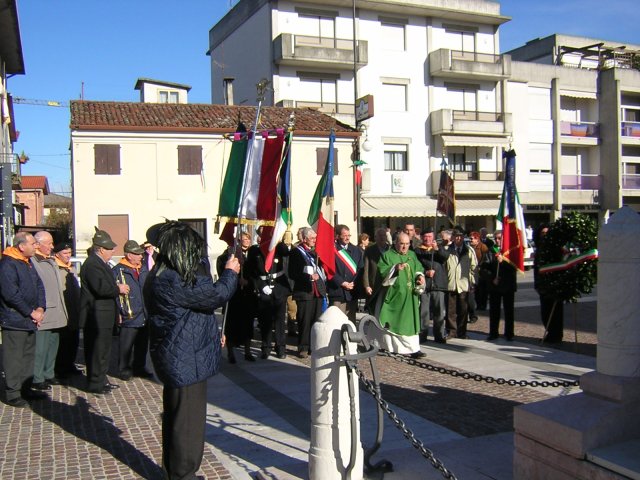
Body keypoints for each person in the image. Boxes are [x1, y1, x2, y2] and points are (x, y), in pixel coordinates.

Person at [144, 221, 239, 480]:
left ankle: (174, 469)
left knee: (178, 417)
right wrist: (230, 272)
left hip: (182, 354)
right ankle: (183, 473)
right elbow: (215, 295)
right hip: (184, 359)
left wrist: (212, 333)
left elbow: (192, 312)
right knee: (188, 421)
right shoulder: (173, 278)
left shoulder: (165, 274)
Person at [79, 228, 130, 395]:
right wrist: (118, 288)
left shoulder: (100, 263)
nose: (113, 251)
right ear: (100, 249)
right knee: (97, 350)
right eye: (110, 249)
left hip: (104, 315)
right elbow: (101, 288)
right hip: (97, 315)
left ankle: (100, 379)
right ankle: (95, 382)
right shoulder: (93, 264)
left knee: (104, 350)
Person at [0, 232, 47, 407]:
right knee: (14, 358)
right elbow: (11, 294)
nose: (36, 246)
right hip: (14, 319)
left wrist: (41, 308)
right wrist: (30, 312)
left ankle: (26, 387)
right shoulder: (7, 265)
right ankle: (13, 393)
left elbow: (39, 286)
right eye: (33, 243)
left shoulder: (27, 263)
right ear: (21, 246)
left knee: (28, 355)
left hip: (30, 319)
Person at [371, 232, 426, 358]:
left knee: (410, 323)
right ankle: (389, 347)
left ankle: (413, 348)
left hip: (410, 297)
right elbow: (382, 272)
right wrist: (394, 269)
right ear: (396, 243)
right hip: (393, 297)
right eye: (401, 244)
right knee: (392, 322)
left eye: (407, 244)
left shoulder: (412, 255)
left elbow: (419, 269)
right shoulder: (388, 256)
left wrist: (420, 277)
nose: (404, 247)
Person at [245, 227, 290, 359]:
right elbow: (251, 272)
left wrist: (281, 236)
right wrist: (260, 285)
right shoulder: (255, 250)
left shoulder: (278, 247)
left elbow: (286, 252)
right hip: (264, 288)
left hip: (278, 287)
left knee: (280, 320)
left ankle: (280, 347)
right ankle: (266, 347)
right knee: (265, 320)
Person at [31, 231, 68, 390]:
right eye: (49, 243)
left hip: (57, 310)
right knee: (41, 347)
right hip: (45, 310)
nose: (52, 246)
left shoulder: (51, 260)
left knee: (53, 344)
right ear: (38, 244)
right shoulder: (33, 261)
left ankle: (49, 373)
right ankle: (37, 377)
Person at [112, 240, 152, 380]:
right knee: (126, 346)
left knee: (142, 344)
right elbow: (114, 295)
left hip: (144, 312)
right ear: (129, 255)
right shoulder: (118, 270)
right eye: (138, 254)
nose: (141, 256)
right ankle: (124, 369)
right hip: (129, 312)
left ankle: (139, 367)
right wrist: (118, 312)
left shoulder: (143, 269)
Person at [217, 232, 256, 364]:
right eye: (243, 240)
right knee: (231, 325)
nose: (246, 242)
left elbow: (255, 273)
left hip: (246, 295)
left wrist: (248, 282)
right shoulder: (225, 257)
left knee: (247, 324)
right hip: (233, 296)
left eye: (247, 239)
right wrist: (235, 279)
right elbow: (223, 274)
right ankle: (230, 352)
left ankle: (247, 351)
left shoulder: (251, 255)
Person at [288, 227, 326, 358]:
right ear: (304, 239)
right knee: (304, 321)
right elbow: (292, 273)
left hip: (317, 291)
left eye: (315, 238)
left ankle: (313, 346)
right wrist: (308, 277)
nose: (315, 241)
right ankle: (303, 347)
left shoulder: (315, 253)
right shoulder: (296, 252)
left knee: (316, 320)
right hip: (304, 291)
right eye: (312, 238)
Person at [52, 242, 82, 380]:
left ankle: (70, 364)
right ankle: (60, 367)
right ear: (57, 254)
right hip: (63, 309)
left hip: (74, 309)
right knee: (63, 341)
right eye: (65, 253)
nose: (68, 256)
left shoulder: (71, 268)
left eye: (70, 253)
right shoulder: (55, 268)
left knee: (73, 340)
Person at [481, 230, 517, 341]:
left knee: (509, 311)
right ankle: (493, 333)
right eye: (496, 238)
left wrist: (503, 262)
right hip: (495, 286)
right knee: (494, 311)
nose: (497, 240)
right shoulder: (490, 251)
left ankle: (509, 333)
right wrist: (492, 278)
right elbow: (483, 269)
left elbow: (514, 268)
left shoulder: (511, 252)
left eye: (500, 238)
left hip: (508, 286)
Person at [415, 227, 449, 344]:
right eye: (425, 236)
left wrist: (437, 249)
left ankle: (439, 335)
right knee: (423, 312)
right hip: (425, 284)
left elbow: (445, 258)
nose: (427, 239)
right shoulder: (417, 251)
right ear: (421, 237)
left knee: (439, 312)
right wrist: (425, 273)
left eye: (430, 236)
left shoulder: (438, 249)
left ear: (433, 237)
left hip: (438, 284)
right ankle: (422, 334)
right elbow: (416, 266)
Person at [533, 224, 564, 343]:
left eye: (547, 233)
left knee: (556, 312)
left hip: (554, 285)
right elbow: (537, 269)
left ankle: (556, 335)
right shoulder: (539, 248)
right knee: (545, 312)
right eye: (542, 233)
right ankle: (550, 332)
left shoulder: (555, 248)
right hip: (542, 285)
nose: (545, 236)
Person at [445, 228, 477, 339]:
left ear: (463, 237)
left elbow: (474, 267)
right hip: (451, 284)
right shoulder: (448, 250)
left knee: (463, 310)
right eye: (456, 236)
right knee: (450, 310)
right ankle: (451, 331)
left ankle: (462, 332)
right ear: (453, 237)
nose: (458, 238)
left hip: (464, 284)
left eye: (460, 236)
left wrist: (472, 282)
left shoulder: (469, 250)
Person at [327, 224, 363, 322]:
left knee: (350, 321)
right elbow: (329, 270)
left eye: (349, 235)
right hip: (337, 291)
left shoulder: (356, 250)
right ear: (337, 236)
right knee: (336, 321)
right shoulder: (332, 250)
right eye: (344, 235)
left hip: (352, 292)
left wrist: (353, 283)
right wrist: (342, 283)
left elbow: (360, 269)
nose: (347, 238)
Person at [363, 227, 389, 313]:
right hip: (374, 284)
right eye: (380, 236)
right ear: (375, 238)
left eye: (384, 235)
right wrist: (366, 285)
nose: (382, 238)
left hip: (388, 283)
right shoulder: (370, 250)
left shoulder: (391, 249)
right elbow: (366, 269)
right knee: (374, 308)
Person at [468, 231, 490, 321]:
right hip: (473, 271)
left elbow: (485, 258)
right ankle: (478, 304)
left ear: (477, 239)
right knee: (475, 289)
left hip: (481, 271)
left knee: (482, 289)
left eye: (472, 238)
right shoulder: (469, 247)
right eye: (470, 238)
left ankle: (483, 305)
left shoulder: (482, 246)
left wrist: (480, 266)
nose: (470, 240)